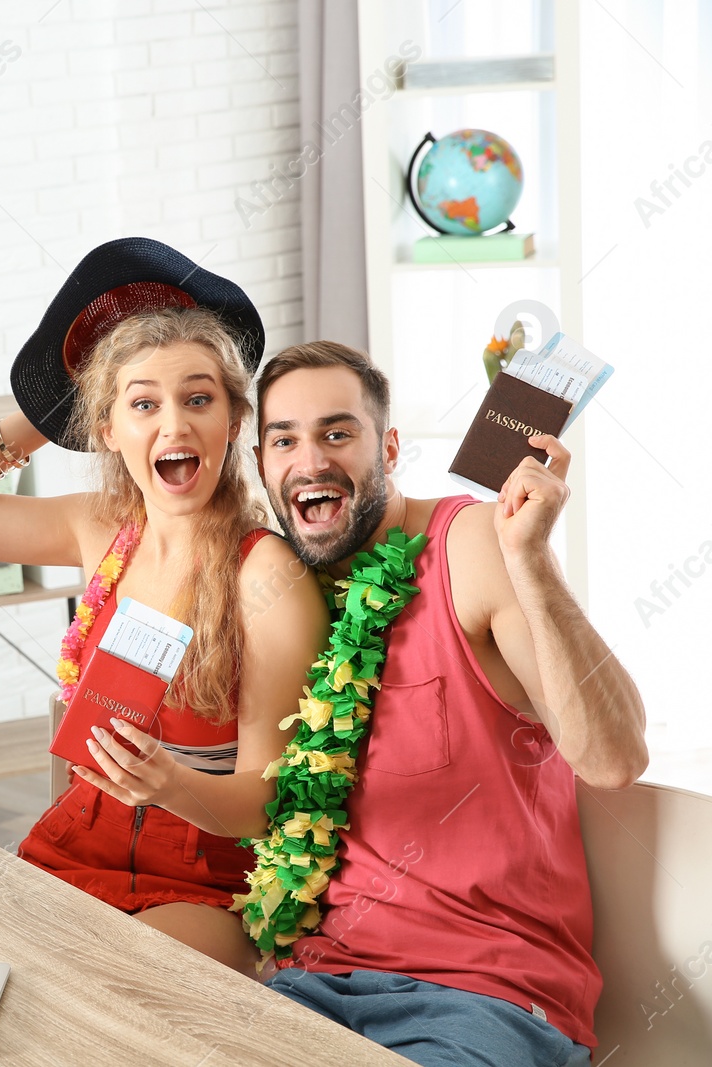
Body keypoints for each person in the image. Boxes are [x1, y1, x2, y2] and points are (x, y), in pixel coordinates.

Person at [0, 238, 327, 973]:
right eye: (143, 404)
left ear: (232, 420)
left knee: (103, 989)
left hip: (202, 880)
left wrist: (173, 785)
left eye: (199, 399)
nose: (174, 427)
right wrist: (43, 408)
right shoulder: (100, 530)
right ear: (106, 428)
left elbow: (267, 801)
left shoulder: (265, 577)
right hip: (72, 844)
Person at [250, 340, 647, 1067]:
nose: (310, 459)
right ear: (263, 467)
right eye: (285, 440)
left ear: (390, 447)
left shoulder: (470, 544)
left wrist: (530, 561)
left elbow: (615, 757)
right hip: (316, 983)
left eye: (337, 432)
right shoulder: (288, 594)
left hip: (482, 993)